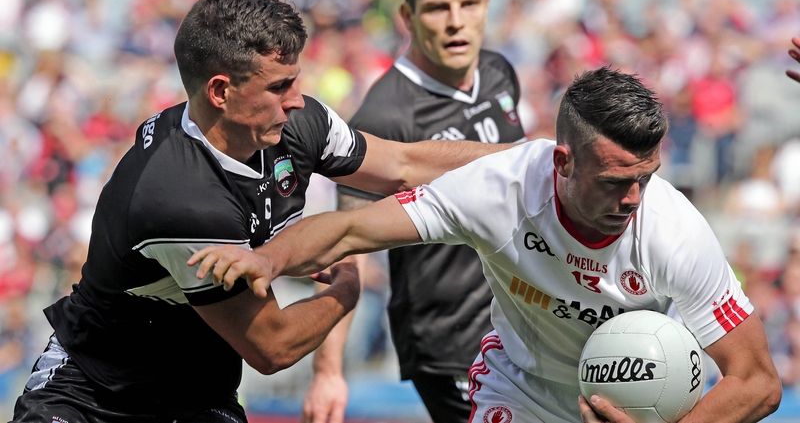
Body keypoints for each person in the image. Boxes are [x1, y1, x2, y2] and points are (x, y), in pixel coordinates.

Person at [10, 0, 515, 422]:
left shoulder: (294, 124)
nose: (298, 99)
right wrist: (345, 290)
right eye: (279, 87)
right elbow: (273, 346)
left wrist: (530, 158)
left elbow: (406, 164)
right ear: (220, 91)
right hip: (91, 394)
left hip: (198, 395)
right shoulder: (179, 198)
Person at [191, 67, 782, 423]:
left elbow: (757, 381)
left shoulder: (674, 231)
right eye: (613, 182)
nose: (632, 199)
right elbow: (352, 228)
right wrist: (268, 257)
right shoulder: (497, 190)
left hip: (639, 409)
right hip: (519, 390)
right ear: (563, 161)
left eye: (644, 179)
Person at [303, 0, 527, 422]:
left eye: (468, 4)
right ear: (408, 16)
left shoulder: (500, 73)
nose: (456, 22)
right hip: (451, 340)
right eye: (438, 8)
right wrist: (327, 370)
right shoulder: (384, 114)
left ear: (487, 4)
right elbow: (346, 244)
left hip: (521, 322)